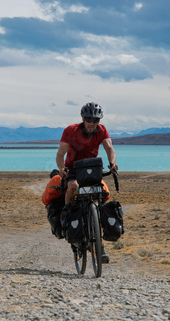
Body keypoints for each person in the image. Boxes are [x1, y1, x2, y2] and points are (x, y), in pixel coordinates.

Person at [56, 102, 118, 263]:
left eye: (95, 120)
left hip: (92, 168)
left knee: (98, 199)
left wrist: (112, 164)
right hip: (73, 168)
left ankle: (99, 245)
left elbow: (109, 148)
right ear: (83, 118)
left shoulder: (101, 130)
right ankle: (68, 214)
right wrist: (62, 169)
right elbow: (60, 154)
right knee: (73, 186)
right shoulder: (71, 131)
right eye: (88, 119)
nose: (92, 123)